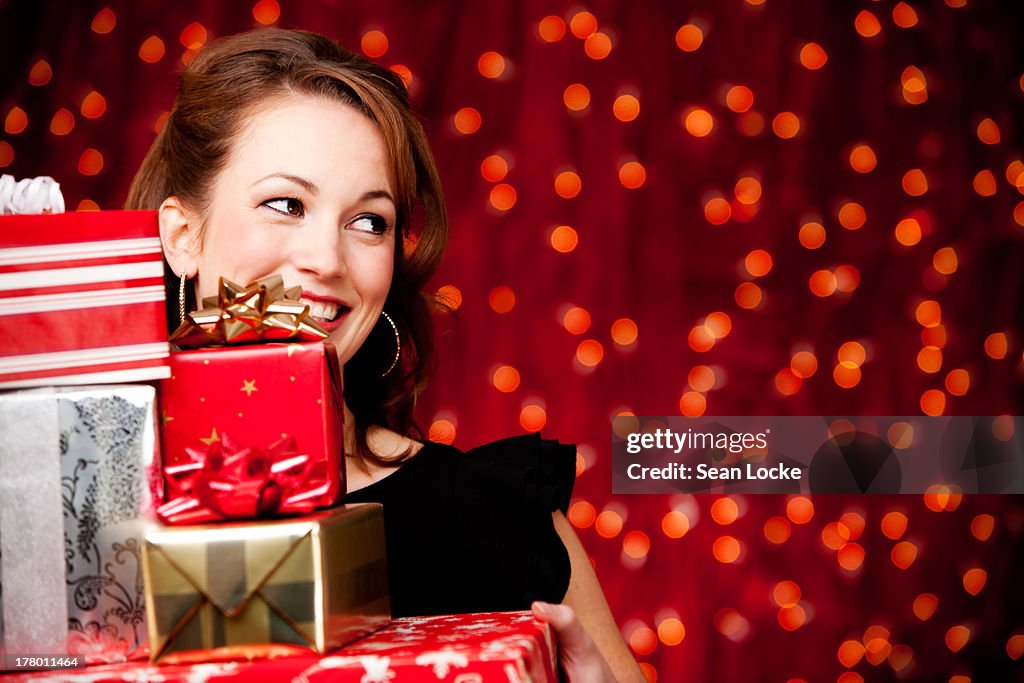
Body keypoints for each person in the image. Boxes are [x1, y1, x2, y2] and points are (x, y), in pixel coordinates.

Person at [127, 28, 643, 682]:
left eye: (368, 220)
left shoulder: (490, 515)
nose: (326, 260)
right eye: (286, 204)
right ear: (183, 236)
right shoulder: (76, 506)